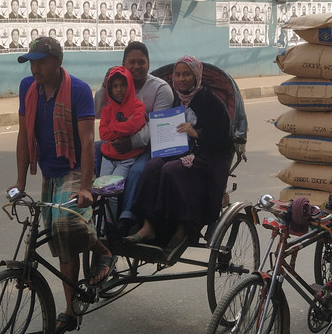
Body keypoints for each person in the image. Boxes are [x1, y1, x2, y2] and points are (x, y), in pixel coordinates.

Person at [12, 36, 112, 333]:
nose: (35, 68)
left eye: (41, 62)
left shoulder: (79, 91)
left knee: (66, 224)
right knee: (60, 240)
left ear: (58, 62)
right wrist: (19, 183)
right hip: (48, 169)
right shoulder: (27, 88)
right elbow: (22, 135)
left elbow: (86, 142)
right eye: (31, 62)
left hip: (72, 166)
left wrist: (85, 187)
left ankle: (102, 249)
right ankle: (71, 310)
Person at [127, 56, 232, 261]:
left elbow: (223, 141)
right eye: (177, 74)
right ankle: (148, 225)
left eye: (187, 74)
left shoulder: (210, 102)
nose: (181, 79)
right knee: (152, 166)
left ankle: (182, 228)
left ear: (196, 76)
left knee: (171, 170)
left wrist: (196, 133)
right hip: (179, 150)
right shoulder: (175, 98)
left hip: (207, 155)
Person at [92, 41, 175, 230]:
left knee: (138, 170)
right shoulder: (116, 85)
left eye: (141, 62)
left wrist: (130, 142)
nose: (137, 67)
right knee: (91, 150)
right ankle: (94, 202)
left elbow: (156, 126)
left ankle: (127, 214)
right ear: (123, 65)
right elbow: (97, 112)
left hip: (149, 144)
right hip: (117, 141)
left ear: (148, 64)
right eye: (132, 62)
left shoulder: (160, 89)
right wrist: (105, 86)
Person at [98, 66, 147, 182]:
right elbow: (103, 134)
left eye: (123, 85)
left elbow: (134, 126)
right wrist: (125, 126)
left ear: (129, 85)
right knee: (102, 188)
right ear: (109, 89)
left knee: (113, 190)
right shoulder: (107, 110)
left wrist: (112, 126)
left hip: (128, 157)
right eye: (115, 86)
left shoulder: (138, 106)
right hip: (108, 156)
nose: (119, 89)